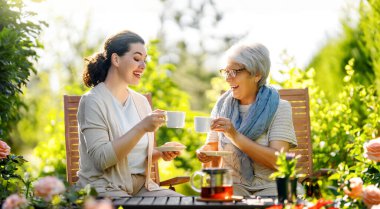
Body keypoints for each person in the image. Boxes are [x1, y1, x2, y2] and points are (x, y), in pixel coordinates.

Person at [77, 30, 183, 197]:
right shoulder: (92, 101)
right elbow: (101, 159)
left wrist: (160, 152)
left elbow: (134, 158)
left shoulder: (141, 102)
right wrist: (141, 127)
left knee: (185, 203)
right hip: (105, 188)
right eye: (136, 58)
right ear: (116, 59)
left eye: (144, 60)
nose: (143, 66)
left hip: (143, 187)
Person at [196, 42, 305, 196]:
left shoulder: (280, 108)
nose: (228, 78)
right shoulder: (222, 106)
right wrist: (204, 152)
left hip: (271, 186)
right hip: (232, 186)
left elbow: (279, 162)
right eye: (226, 71)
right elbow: (212, 147)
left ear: (257, 74)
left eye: (234, 71)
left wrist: (234, 136)